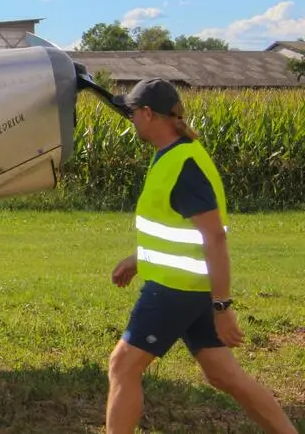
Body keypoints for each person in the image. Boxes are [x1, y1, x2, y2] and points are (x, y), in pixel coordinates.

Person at [105, 78, 296, 434]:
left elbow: (214, 238)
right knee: (225, 376)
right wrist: (138, 259)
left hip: (174, 292)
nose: (130, 118)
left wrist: (222, 307)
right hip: (187, 288)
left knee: (123, 366)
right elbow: (178, 229)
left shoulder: (184, 165)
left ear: (148, 114)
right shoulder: (173, 156)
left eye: (132, 111)